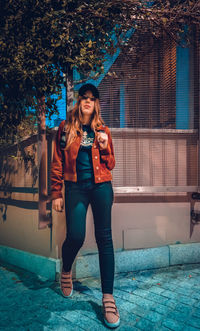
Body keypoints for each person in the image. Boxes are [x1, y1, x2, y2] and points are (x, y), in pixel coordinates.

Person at [50, 83, 120, 328]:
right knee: (76, 236)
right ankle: (66, 270)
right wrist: (56, 192)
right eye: (84, 97)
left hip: (101, 187)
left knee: (105, 239)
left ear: (96, 103)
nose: (88, 101)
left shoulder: (104, 130)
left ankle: (108, 297)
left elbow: (111, 163)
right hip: (75, 188)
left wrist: (104, 145)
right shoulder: (65, 128)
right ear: (79, 102)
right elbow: (57, 162)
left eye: (92, 98)